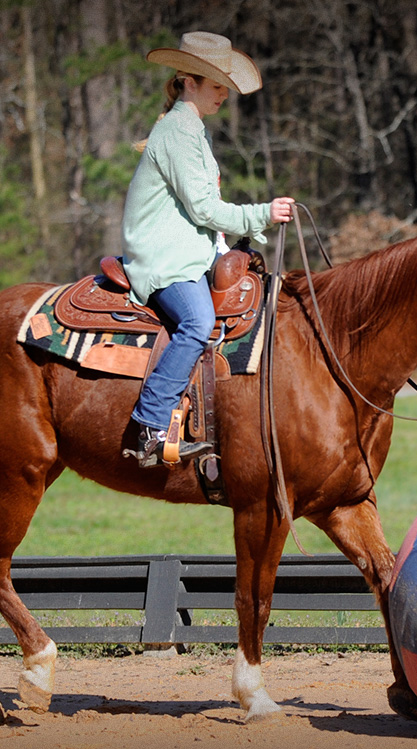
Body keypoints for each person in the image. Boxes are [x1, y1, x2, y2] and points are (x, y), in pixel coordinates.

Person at [122, 31, 294, 468]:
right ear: (188, 80)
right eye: (217, 85)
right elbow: (204, 208)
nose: (224, 95)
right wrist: (262, 213)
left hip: (191, 253)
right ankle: (148, 424)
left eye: (226, 87)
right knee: (197, 321)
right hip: (166, 259)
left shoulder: (192, 130)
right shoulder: (178, 132)